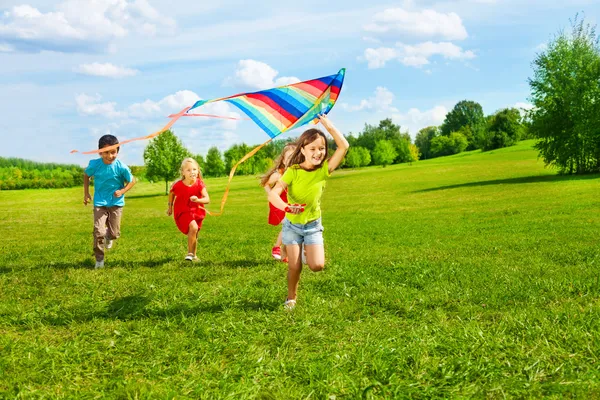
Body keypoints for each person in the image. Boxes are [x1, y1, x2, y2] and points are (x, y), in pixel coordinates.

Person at [268, 114, 349, 309]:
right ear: (302, 150)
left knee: (317, 266)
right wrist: (287, 207)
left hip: (313, 226)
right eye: (312, 148)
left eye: (321, 148)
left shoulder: (324, 170)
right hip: (292, 226)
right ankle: (291, 298)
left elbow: (344, 146)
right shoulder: (293, 171)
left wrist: (328, 125)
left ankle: (307, 251)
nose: (318, 152)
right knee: (294, 265)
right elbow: (273, 194)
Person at [83, 134, 136, 269]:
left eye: (113, 152)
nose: (110, 155)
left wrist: (123, 191)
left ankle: (109, 236)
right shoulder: (95, 164)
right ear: (100, 152)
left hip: (116, 203)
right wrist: (86, 193)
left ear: (117, 151)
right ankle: (99, 259)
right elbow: (86, 175)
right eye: (106, 152)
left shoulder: (121, 167)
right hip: (100, 202)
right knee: (98, 231)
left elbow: (132, 180)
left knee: (114, 234)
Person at [167, 158, 210, 262]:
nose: (192, 172)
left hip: (196, 212)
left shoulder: (200, 184)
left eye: (194, 169)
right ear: (183, 172)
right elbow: (171, 194)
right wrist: (170, 207)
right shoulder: (178, 185)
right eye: (188, 170)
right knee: (193, 227)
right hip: (182, 211)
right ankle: (190, 253)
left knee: (195, 232)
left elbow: (207, 199)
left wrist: (198, 199)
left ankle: (194, 256)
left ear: (198, 170)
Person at [260, 143, 296, 262]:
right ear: (283, 160)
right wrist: (271, 194)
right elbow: (265, 183)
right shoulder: (278, 174)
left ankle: (284, 254)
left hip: (288, 203)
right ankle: (276, 247)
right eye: (289, 158)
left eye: (294, 157)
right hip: (278, 203)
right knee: (288, 225)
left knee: (291, 227)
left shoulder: (295, 172)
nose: (292, 160)